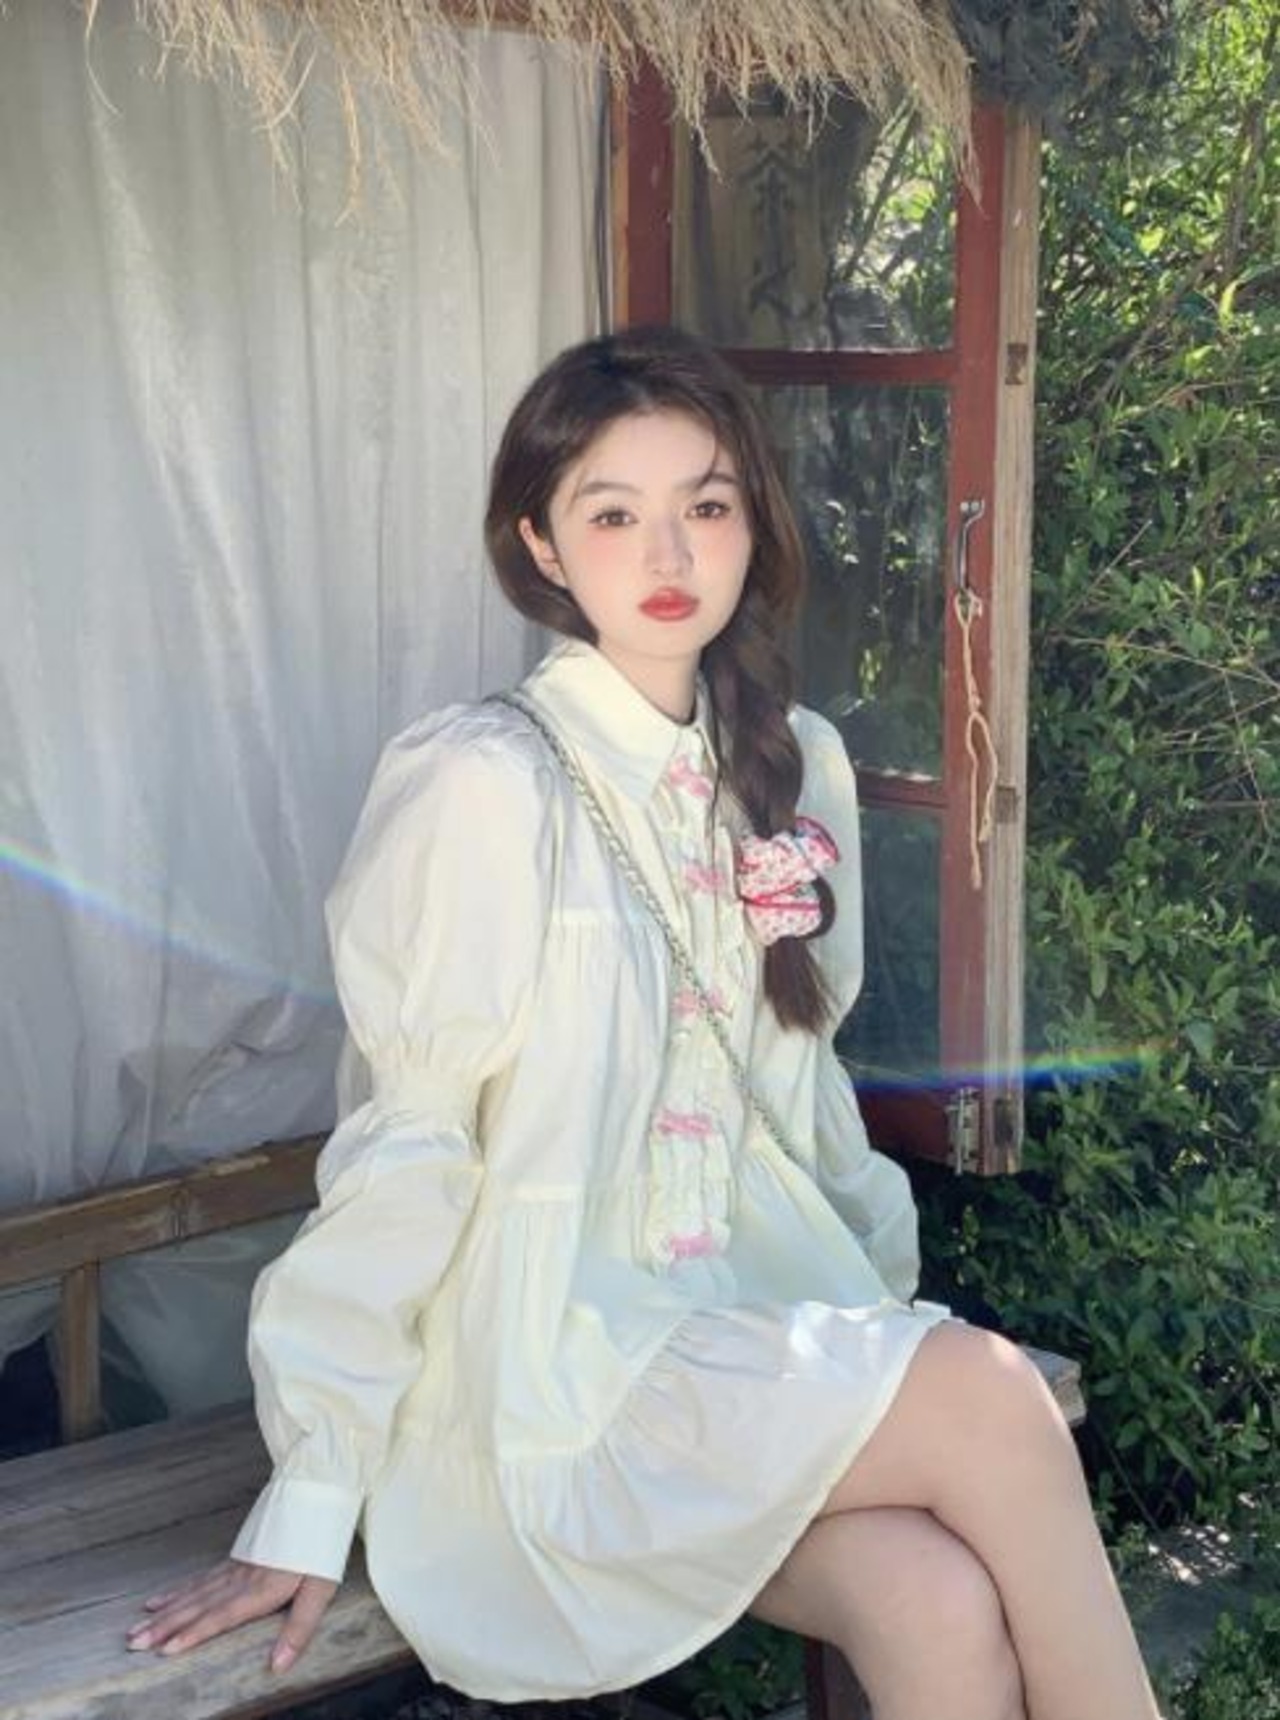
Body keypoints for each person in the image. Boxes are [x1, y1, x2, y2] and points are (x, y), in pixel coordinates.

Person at [127, 326, 1160, 1720]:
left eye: (706, 506)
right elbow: (411, 1143)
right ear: (542, 545)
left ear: (753, 525)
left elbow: (802, 1101)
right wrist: (314, 1490)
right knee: (990, 1398)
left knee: (934, 1603)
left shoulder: (798, 769)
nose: (667, 555)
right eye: (613, 515)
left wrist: (875, 1332)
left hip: (737, 1338)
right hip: (550, 1385)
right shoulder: (485, 782)